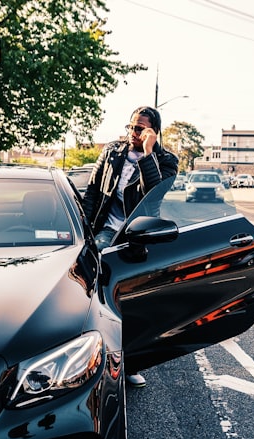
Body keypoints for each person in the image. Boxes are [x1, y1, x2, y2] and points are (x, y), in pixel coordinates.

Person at [83, 106, 178, 388]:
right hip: (107, 231)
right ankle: (91, 359)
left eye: (140, 129)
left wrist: (148, 154)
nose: (133, 133)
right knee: (98, 294)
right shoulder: (112, 151)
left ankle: (130, 363)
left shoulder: (166, 160)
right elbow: (92, 191)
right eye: (131, 127)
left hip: (138, 235)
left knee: (132, 302)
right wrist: (85, 230)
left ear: (153, 132)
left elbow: (154, 193)